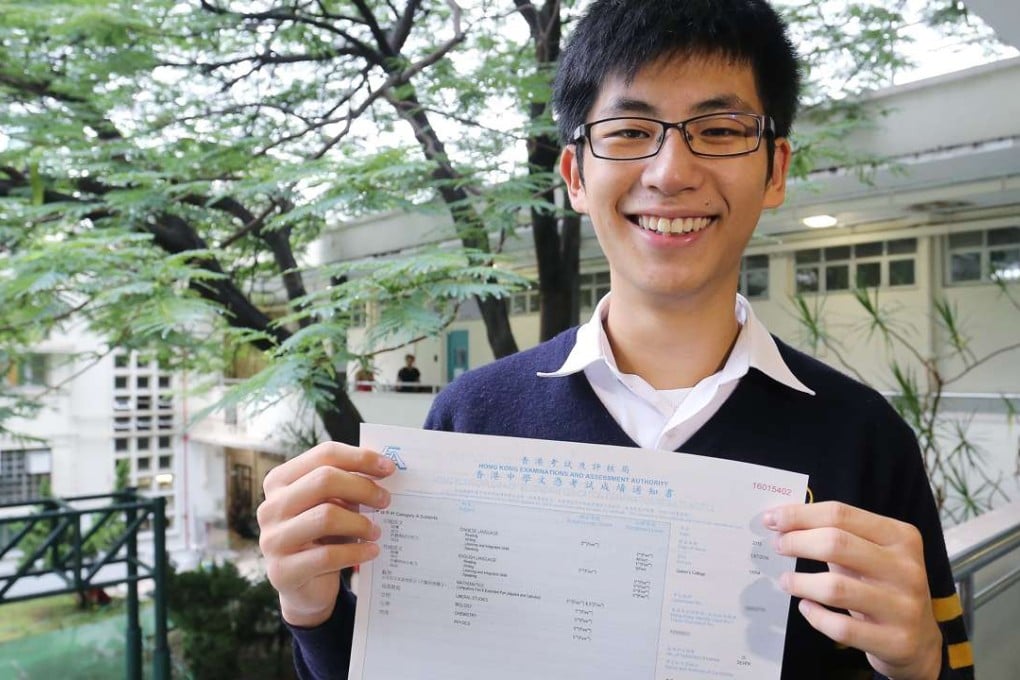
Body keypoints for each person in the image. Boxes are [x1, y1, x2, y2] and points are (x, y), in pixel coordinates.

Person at [256, 0, 974, 678]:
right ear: (574, 174)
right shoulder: (472, 419)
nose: (671, 172)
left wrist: (919, 664)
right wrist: (312, 611)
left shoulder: (866, 438)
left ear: (775, 170)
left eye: (720, 130)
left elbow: (950, 663)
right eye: (630, 132)